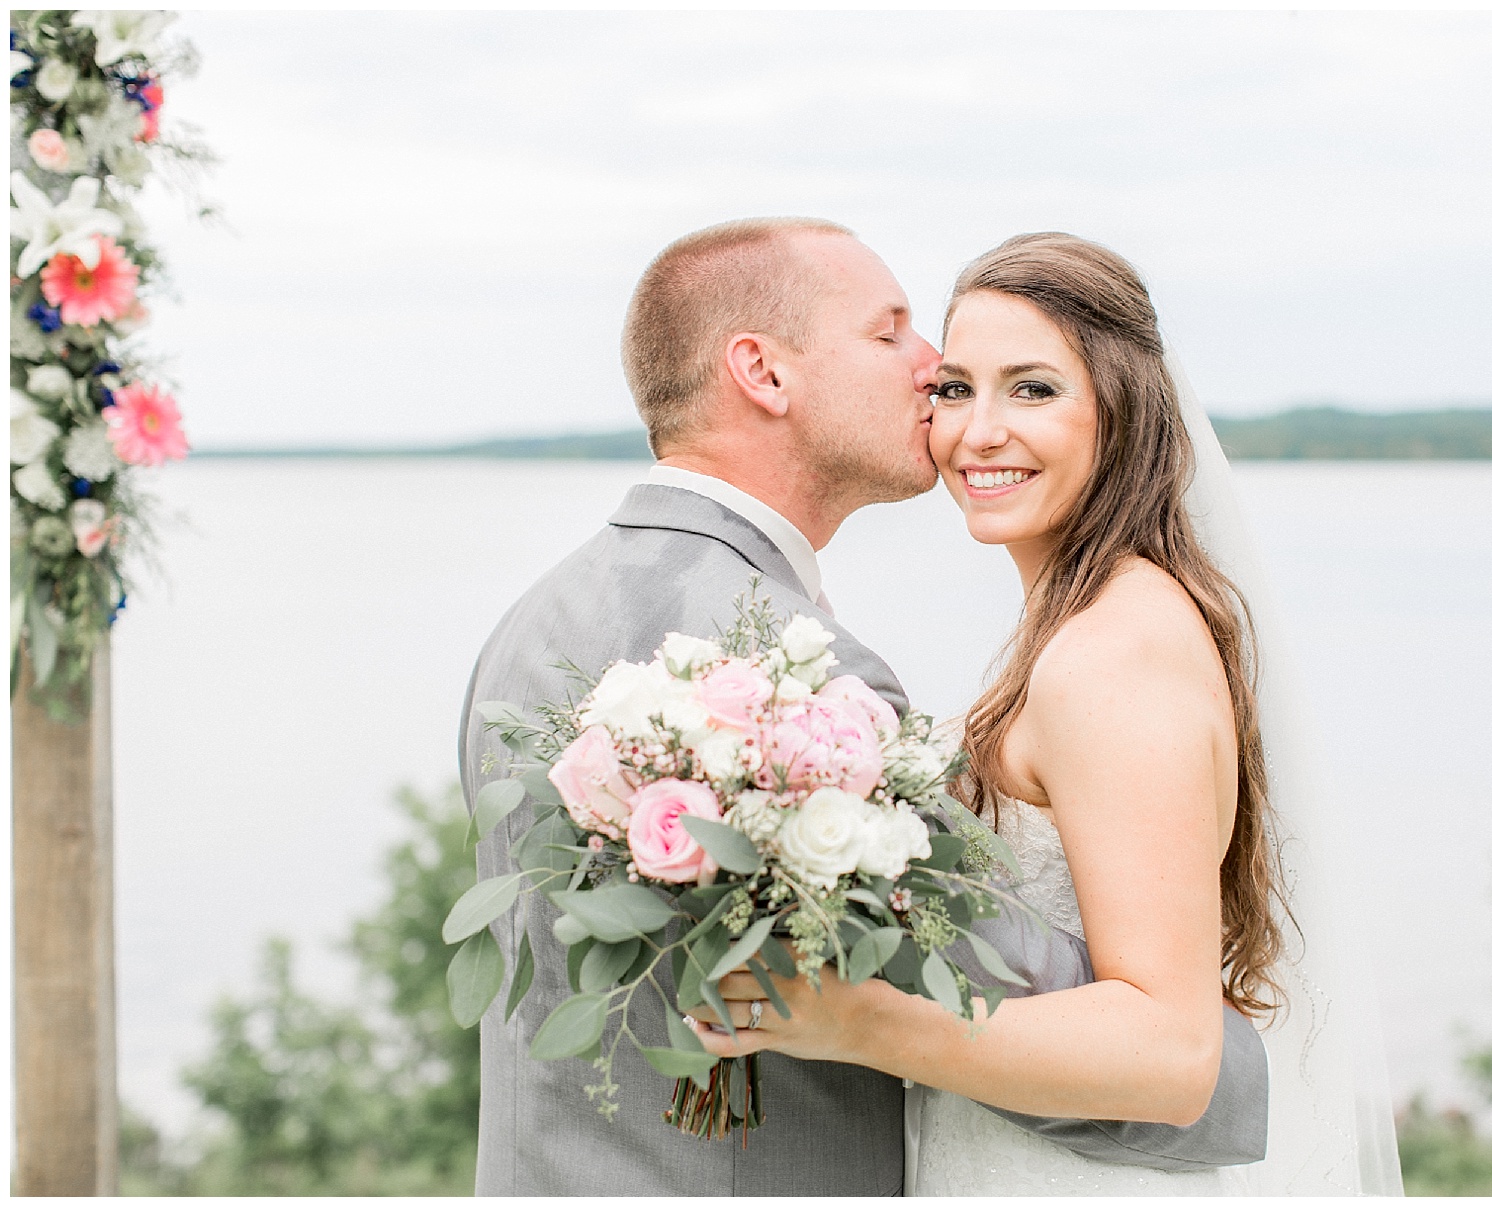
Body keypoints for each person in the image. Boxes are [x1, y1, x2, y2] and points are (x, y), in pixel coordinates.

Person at [457, 218, 1272, 1196]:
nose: (932, 376)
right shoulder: (787, 660)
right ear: (764, 372)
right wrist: (1233, 1076)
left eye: (1031, 387)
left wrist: (1180, 1054)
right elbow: (983, 976)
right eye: (895, 336)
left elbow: (1150, 1040)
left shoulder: (529, 626)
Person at [686, 232, 1405, 1195]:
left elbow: (1173, 1052)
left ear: (1123, 409)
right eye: (955, 388)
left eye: (1033, 389)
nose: (979, 432)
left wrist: (857, 1020)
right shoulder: (1084, 621)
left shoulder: (1115, 652)